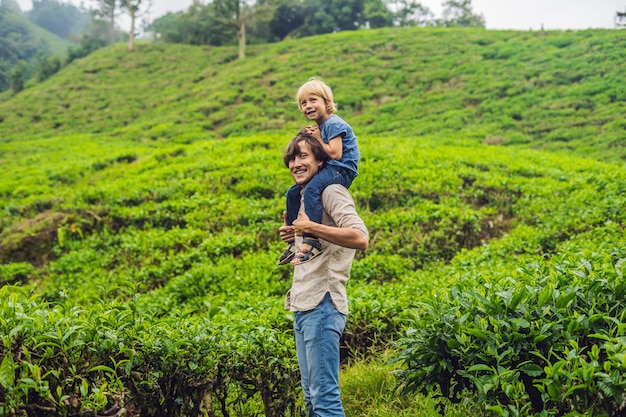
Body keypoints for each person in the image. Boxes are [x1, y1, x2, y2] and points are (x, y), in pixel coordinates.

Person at [279, 131, 369, 417]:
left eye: (303, 156)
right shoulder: (305, 197)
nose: (296, 164)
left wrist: (312, 229)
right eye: (292, 159)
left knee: (325, 400)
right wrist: (294, 234)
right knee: (311, 399)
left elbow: (360, 237)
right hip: (302, 304)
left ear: (321, 159)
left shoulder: (331, 190)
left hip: (322, 303)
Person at [278, 77, 360, 266]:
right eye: (303, 103)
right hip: (333, 167)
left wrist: (317, 137)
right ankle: (292, 238)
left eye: (313, 100)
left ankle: (312, 239)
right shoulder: (322, 126)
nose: (308, 106)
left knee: (312, 189)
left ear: (327, 102)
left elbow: (335, 153)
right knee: (293, 192)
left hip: (341, 170)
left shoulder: (332, 123)